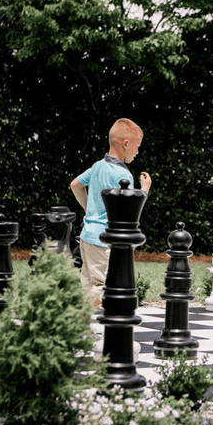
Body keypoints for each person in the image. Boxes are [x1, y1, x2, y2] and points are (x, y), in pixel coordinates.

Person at [70, 118, 152, 307]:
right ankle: (74, 320)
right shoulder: (123, 175)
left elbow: (75, 185)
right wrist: (145, 190)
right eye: (137, 146)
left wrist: (89, 209)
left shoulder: (98, 166)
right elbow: (131, 212)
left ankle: (79, 330)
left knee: (86, 285)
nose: (138, 152)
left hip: (86, 236)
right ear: (126, 144)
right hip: (103, 240)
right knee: (103, 287)